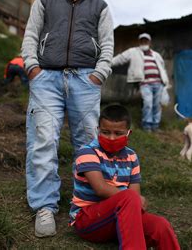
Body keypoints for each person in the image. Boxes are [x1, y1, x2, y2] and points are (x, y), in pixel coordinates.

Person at [21, 0, 114, 237]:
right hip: (46, 79)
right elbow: (30, 35)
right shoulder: (45, 0)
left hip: (85, 81)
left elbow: (107, 44)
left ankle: (84, 204)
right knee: (42, 141)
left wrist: (99, 74)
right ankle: (45, 206)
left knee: (87, 145)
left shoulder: (100, 6)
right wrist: (32, 68)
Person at [70, 104, 180, 249]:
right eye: (105, 132)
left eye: (118, 133)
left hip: (117, 220)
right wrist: (131, 198)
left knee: (161, 226)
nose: (111, 137)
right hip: (88, 219)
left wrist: (133, 200)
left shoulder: (131, 157)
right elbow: (100, 189)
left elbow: (135, 200)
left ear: (128, 133)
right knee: (129, 197)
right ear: (97, 130)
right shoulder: (88, 152)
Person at [111, 33, 169, 132]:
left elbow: (162, 68)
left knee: (157, 105)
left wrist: (165, 81)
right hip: (145, 83)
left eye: (146, 40)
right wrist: (106, 63)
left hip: (158, 83)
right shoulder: (133, 51)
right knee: (148, 103)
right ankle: (147, 126)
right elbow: (120, 58)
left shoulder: (156, 55)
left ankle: (155, 126)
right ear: (139, 42)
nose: (144, 42)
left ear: (149, 42)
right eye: (142, 40)